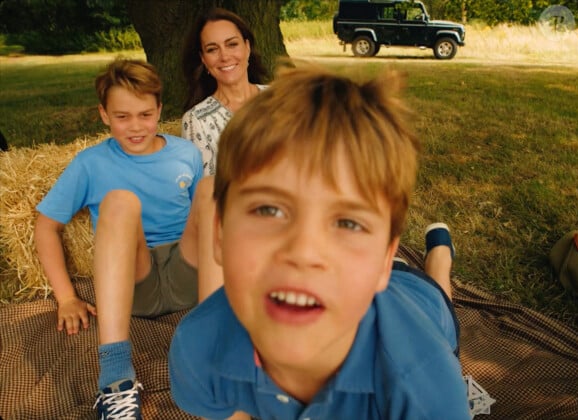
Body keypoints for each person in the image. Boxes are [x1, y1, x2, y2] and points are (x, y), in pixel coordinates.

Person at [169, 65, 470, 419]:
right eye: (268, 209)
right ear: (218, 233)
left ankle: (438, 260)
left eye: (347, 222)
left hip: (422, 304)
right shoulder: (198, 349)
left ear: (384, 260)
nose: (304, 251)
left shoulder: (426, 389)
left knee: (438, 293)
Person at [34, 58, 204, 419]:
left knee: (215, 190)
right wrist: (66, 297)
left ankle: (221, 345)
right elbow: (46, 225)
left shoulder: (186, 154)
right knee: (120, 200)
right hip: (135, 282)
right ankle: (115, 380)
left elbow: (202, 225)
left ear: (160, 109)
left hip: (188, 275)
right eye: (122, 116)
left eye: (145, 114)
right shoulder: (89, 163)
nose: (136, 127)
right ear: (104, 114)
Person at [181, 7, 268, 176]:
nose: (224, 56)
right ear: (203, 59)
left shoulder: (280, 98)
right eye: (212, 49)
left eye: (232, 44)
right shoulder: (197, 120)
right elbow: (205, 191)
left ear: (247, 47)